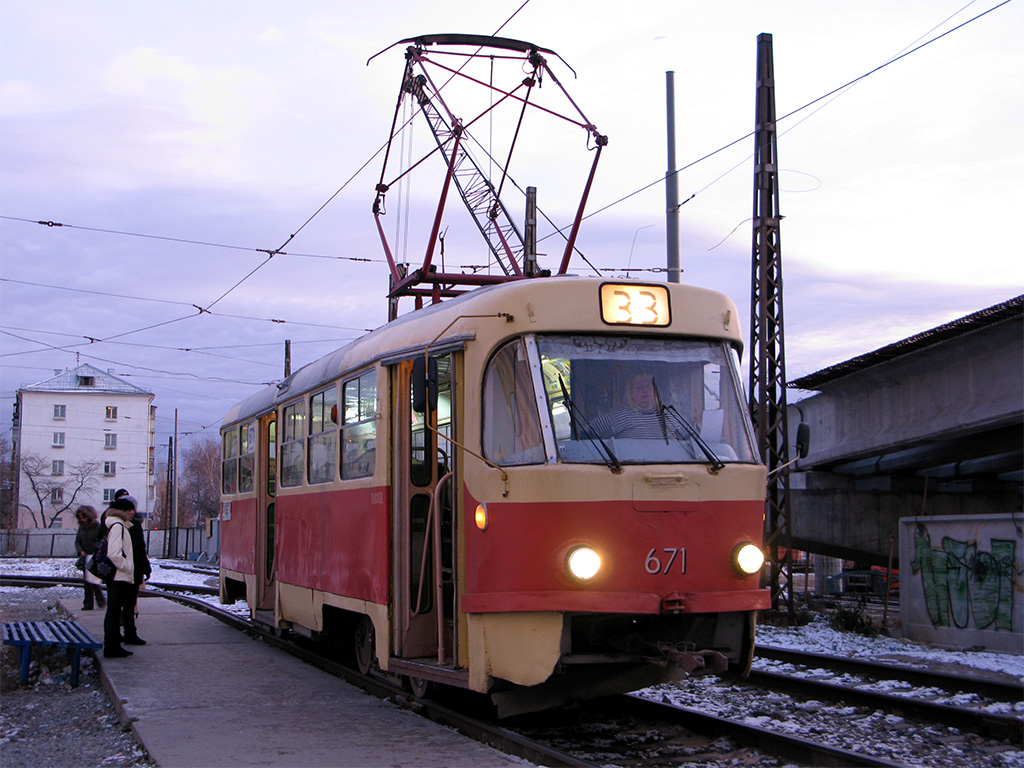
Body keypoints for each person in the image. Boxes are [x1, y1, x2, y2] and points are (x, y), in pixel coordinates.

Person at [102, 498, 137, 658]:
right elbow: (114, 554)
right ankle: (111, 647)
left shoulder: (120, 526)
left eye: (132, 509)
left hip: (118, 576)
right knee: (113, 612)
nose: (132, 512)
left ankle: (113, 645)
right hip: (118, 576)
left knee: (114, 612)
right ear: (121, 512)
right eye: (128, 510)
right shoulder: (118, 527)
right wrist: (127, 567)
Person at [589, 372, 669, 439]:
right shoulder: (619, 415)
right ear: (631, 393)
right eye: (639, 387)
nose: (645, 390)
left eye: (648, 386)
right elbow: (585, 433)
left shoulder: (669, 415)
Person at [73, 505, 106, 610]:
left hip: (95, 556)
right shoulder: (81, 528)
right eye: (80, 517)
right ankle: (91, 603)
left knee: (93, 580)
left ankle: (98, 601)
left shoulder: (97, 526)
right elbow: (78, 541)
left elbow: (102, 541)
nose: (82, 519)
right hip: (86, 556)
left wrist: (96, 550)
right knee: (88, 581)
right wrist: (80, 551)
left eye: (83, 517)